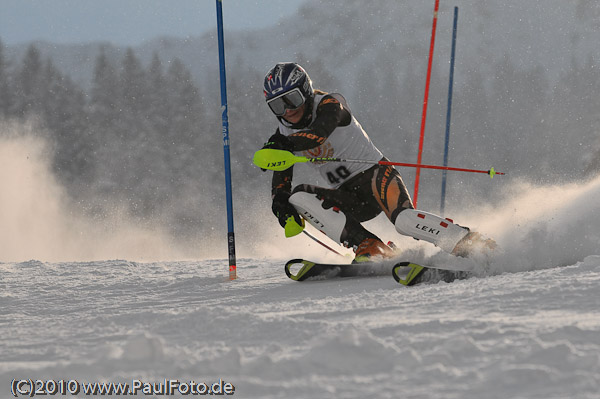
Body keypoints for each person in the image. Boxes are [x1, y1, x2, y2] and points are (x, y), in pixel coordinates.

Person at [259, 62, 493, 262]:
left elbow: (319, 134)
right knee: (297, 196)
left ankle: (469, 242)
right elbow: (281, 175)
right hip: (349, 196)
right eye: (278, 105)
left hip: (376, 177)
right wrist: (280, 201)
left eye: (292, 99)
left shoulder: (331, 105)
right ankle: (371, 247)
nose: (287, 111)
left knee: (405, 220)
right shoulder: (284, 132)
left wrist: (283, 145)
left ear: (306, 91)